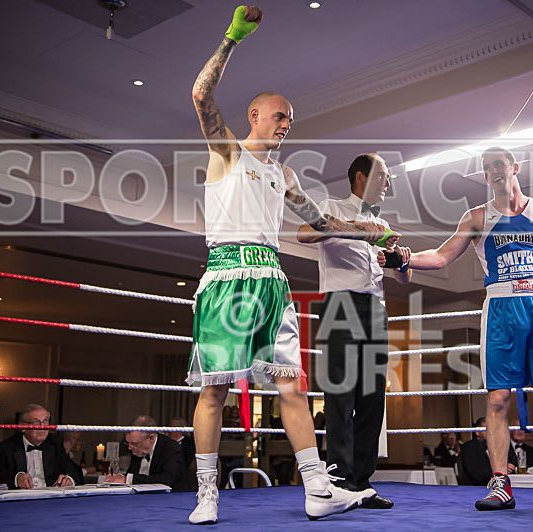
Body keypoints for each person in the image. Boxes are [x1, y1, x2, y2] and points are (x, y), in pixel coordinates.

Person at [186, 5, 396, 524]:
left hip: (272, 281)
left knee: (292, 387)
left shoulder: (284, 175)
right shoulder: (228, 151)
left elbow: (320, 221)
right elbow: (200, 96)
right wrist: (231, 39)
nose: (286, 124)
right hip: (228, 276)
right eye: (280, 115)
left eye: (291, 120)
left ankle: (317, 490)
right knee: (214, 390)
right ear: (256, 115)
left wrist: (365, 229)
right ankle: (207, 495)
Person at [404, 147, 533, 509]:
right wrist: (404, 258)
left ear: (515, 167)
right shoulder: (476, 217)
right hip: (501, 308)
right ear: (485, 177)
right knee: (498, 398)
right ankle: (500, 482)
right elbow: (440, 256)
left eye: (499, 164)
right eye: (487, 168)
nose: (494, 171)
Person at [297, 153, 409, 510]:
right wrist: (356, 229)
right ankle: (339, 479)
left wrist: (398, 261)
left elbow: (401, 277)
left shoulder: (384, 222)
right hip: (340, 304)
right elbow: (302, 233)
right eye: (384, 175)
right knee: (340, 396)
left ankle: (362, 481)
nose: (389, 183)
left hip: (375, 309)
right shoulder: (331, 206)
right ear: (362, 176)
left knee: (374, 398)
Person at [0, 404, 83, 489]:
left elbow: (75, 472)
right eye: (36, 422)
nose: (42, 427)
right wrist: (17, 479)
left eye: (45, 421)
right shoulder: (5, 448)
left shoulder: (55, 443)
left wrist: (69, 479)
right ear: (23, 427)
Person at [106, 415, 188, 491]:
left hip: (169, 498)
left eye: (134, 444)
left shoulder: (171, 448)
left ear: (151, 438)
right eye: (128, 443)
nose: (129, 448)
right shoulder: (137, 450)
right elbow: (132, 473)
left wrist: (129, 479)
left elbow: (166, 479)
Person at [459, 418, 517, 486]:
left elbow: (514, 462)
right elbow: (476, 474)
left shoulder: (503, 443)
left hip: (503, 485)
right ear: (477, 432)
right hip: (477, 488)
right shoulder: (468, 447)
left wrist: (510, 467)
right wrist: (500, 470)